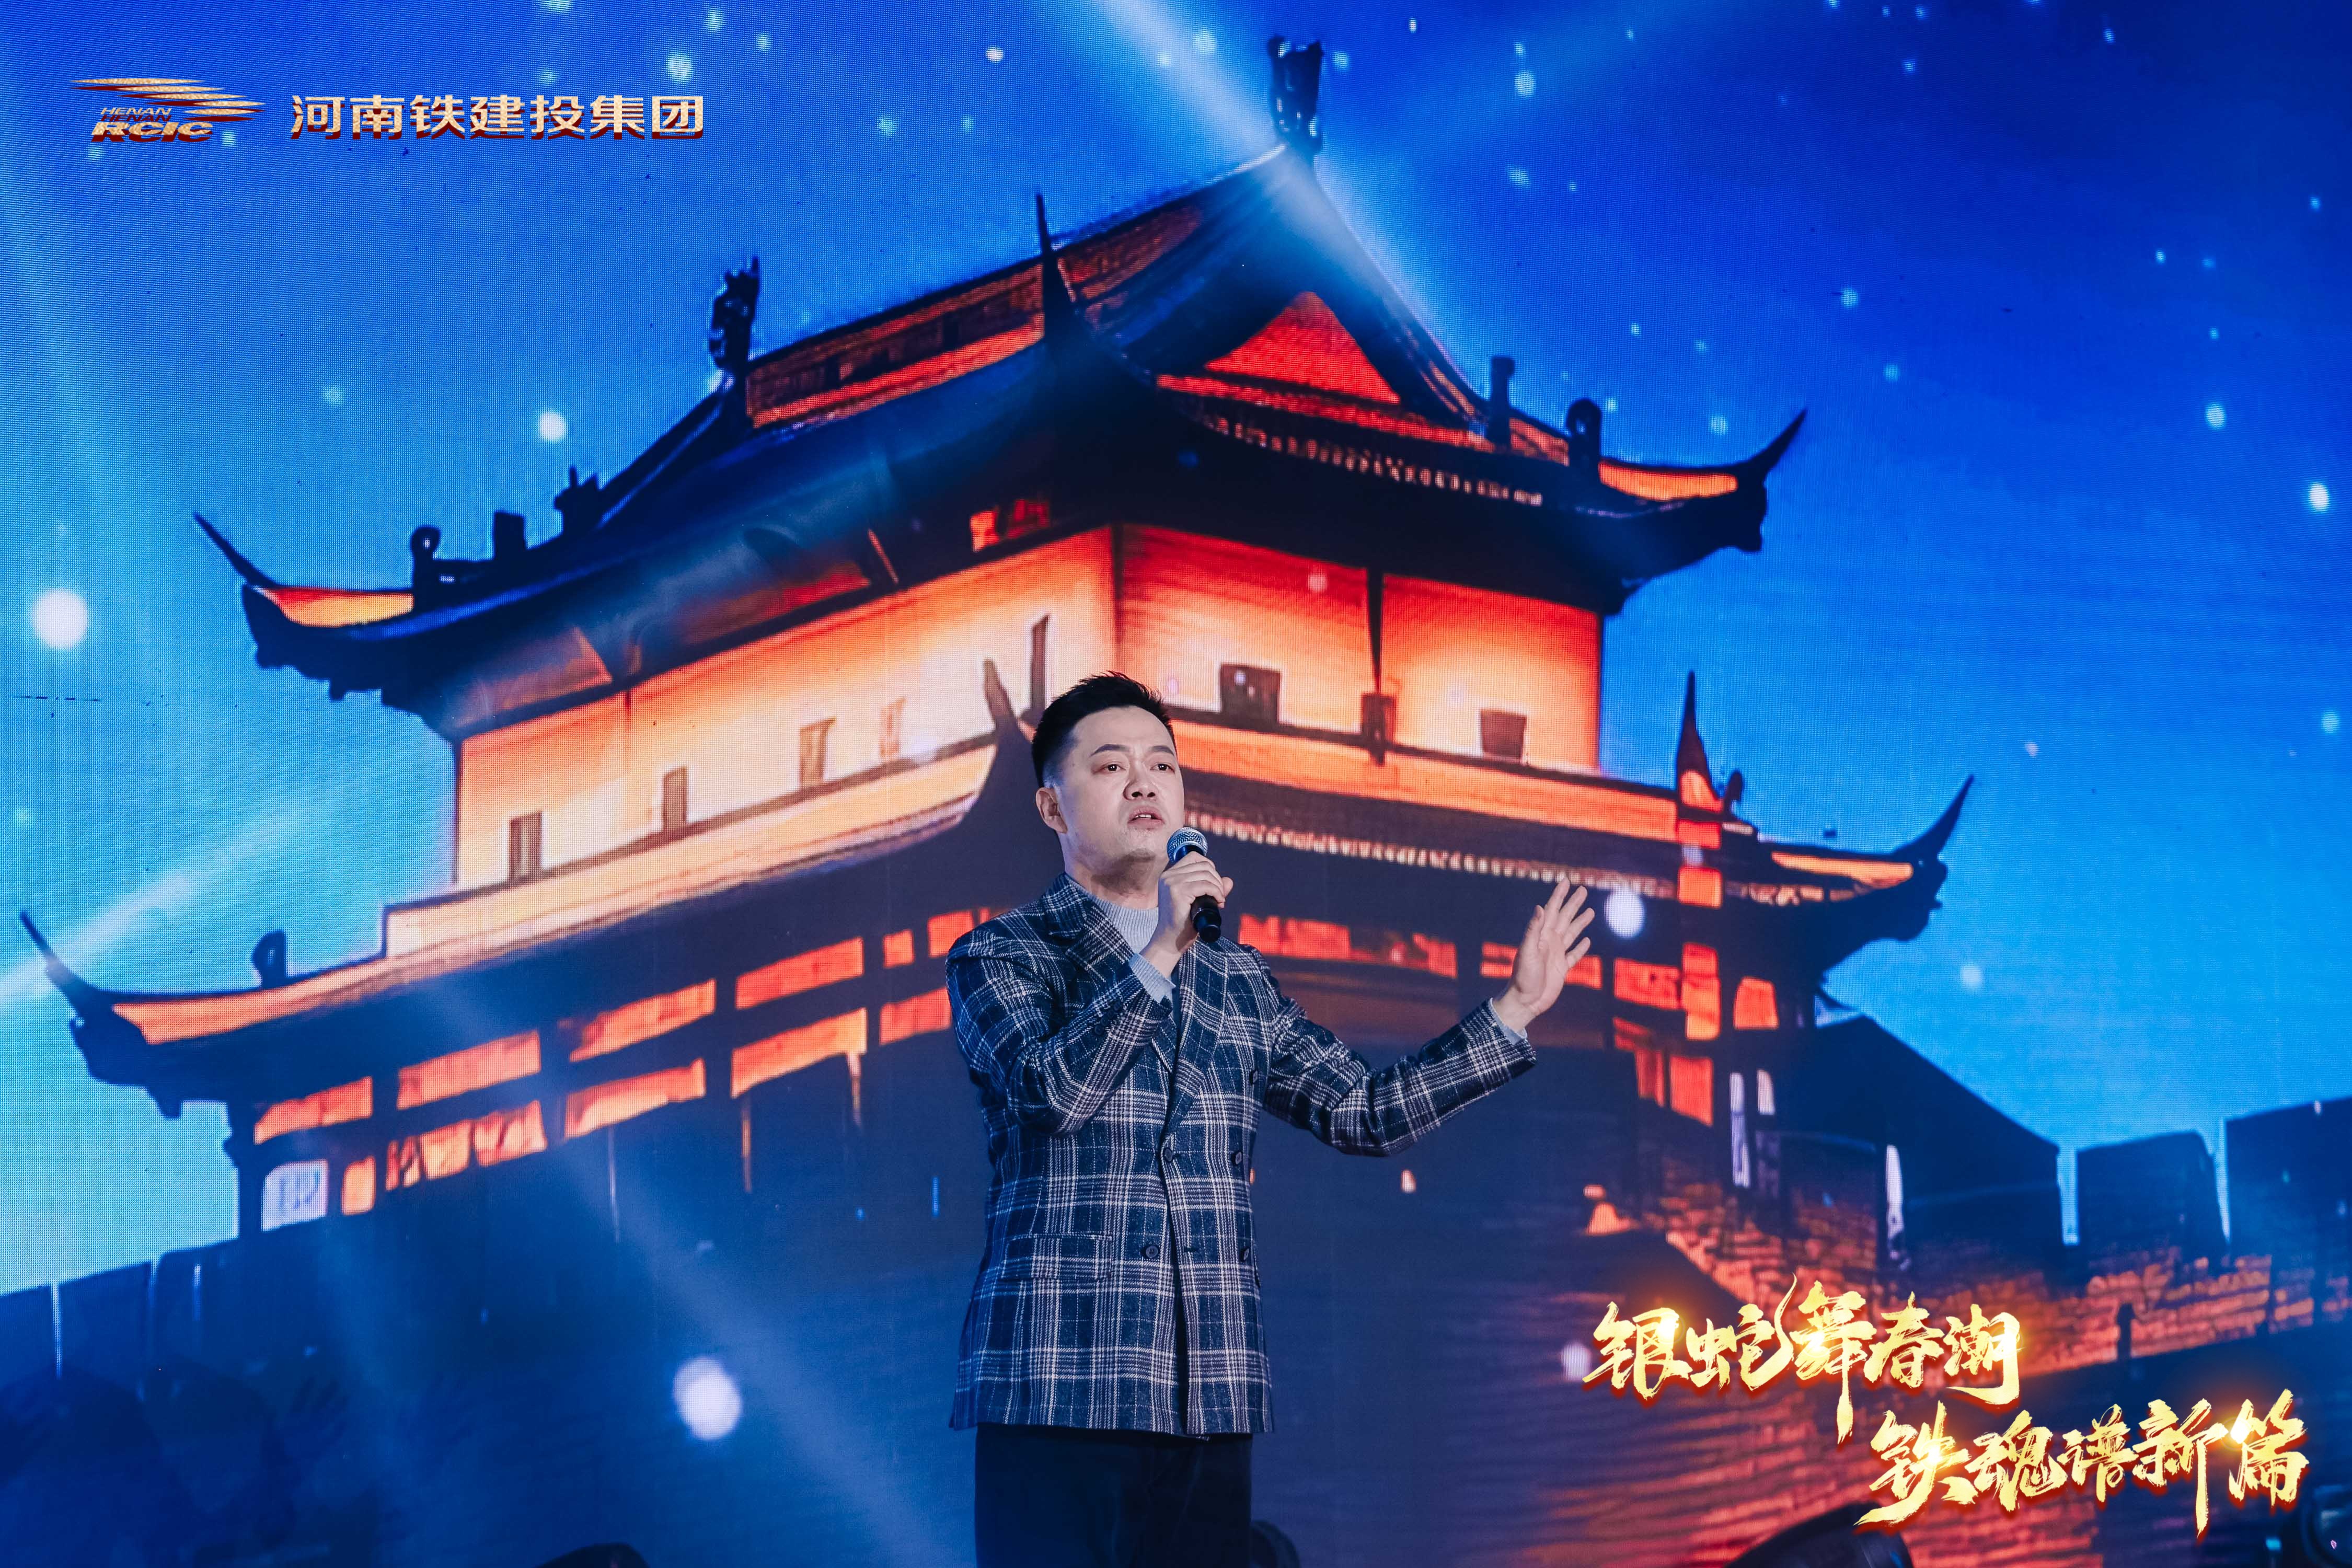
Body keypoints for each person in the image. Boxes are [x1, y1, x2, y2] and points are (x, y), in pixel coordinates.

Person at [945, 673, 1595, 1567]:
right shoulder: (1001, 954)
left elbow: (1364, 1112)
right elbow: (1052, 1094)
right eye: (1110, 766)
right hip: (1058, 1387)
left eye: (1162, 765)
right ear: (1052, 807)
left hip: (1210, 1396)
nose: (1144, 783)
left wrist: (1513, 1012)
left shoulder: (1239, 981)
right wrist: (1163, 948)